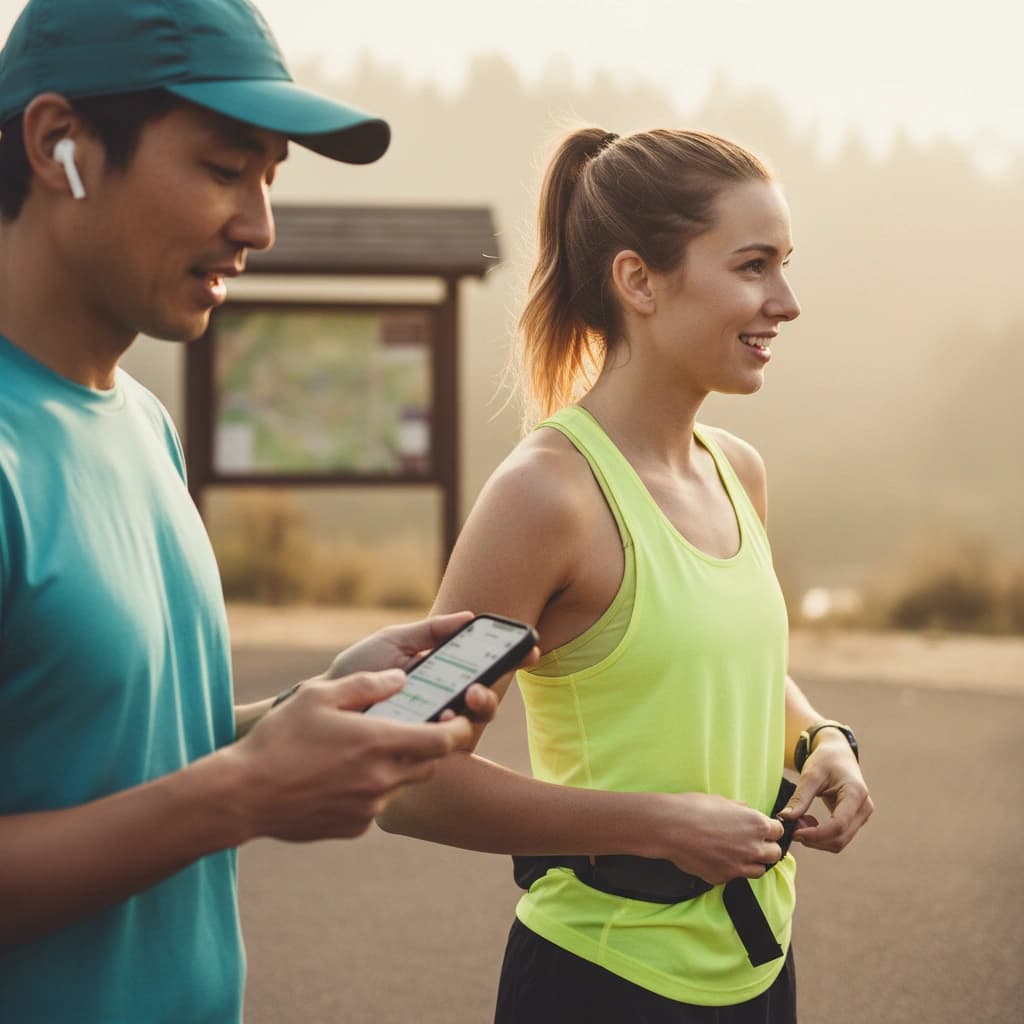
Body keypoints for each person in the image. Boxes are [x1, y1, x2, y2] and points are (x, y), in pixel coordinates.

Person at [0, 1, 510, 1021]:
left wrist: (308, 709)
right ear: (62, 145)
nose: (260, 226)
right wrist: (250, 793)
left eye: (271, 178)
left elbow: (110, 754)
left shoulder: (141, 425)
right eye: (227, 169)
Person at [378, 127, 874, 1022]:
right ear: (639, 280)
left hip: (759, 971)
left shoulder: (737, 470)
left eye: (785, 265)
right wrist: (655, 825)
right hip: (601, 982)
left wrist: (822, 740)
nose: (787, 301)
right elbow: (408, 782)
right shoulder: (546, 497)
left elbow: (716, 665)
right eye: (753, 266)